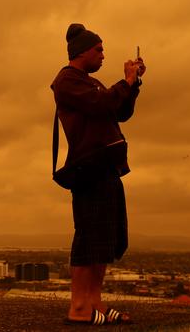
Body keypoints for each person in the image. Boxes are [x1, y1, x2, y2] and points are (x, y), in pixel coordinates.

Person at [51, 24, 145, 326]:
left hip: (104, 167)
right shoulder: (67, 81)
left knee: (104, 239)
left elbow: (119, 112)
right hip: (89, 167)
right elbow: (104, 103)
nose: (103, 55)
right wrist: (125, 81)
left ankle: (95, 304)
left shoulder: (88, 83)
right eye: (99, 50)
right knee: (89, 237)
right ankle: (79, 307)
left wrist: (133, 84)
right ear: (82, 52)